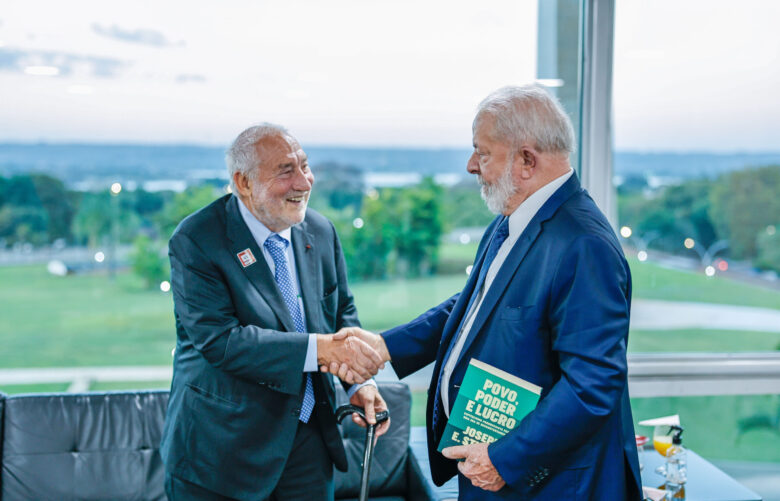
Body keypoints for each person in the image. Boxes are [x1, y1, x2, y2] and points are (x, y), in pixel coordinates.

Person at [326, 85, 643, 500]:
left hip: (544, 481)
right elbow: (476, 306)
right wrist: (386, 346)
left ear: (527, 160)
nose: (471, 165)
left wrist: (504, 459)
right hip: (489, 467)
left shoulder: (585, 245)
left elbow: (593, 383)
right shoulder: (512, 218)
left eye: (483, 153)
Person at [160, 123, 389, 501]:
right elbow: (222, 341)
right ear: (243, 182)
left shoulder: (321, 230)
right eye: (286, 171)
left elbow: (341, 311)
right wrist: (324, 350)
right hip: (222, 453)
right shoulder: (197, 240)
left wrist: (359, 383)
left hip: (309, 446)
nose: (304, 182)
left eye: (304, 165)